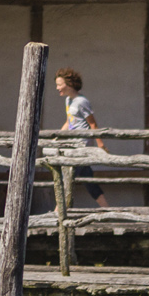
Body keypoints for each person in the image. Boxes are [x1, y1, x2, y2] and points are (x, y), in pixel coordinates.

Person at [56, 68, 106, 206]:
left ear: (69, 84)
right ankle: (108, 209)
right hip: (72, 144)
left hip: (81, 145)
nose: (57, 88)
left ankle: (58, 212)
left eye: (60, 84)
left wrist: (100, 144)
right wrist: (56, 138)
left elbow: (93, 123)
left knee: (68, 176)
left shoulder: (81, 102)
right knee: (88, 181)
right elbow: (69, 122)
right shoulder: (68, 101)